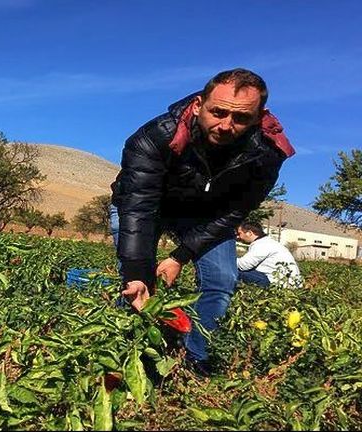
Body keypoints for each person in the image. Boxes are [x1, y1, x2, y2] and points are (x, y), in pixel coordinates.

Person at [109, 68, 295, 376]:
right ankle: (126, 352)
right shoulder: (156, 136)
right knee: (136, 281)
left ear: (258, 117)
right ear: (198, 105)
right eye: (218, 112)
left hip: (207, 215)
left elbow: (234, 213)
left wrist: (180, 256)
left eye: (240, 118)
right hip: (145, 206)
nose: (226, 126)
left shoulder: (267, 153)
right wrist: (138, 272)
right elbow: (138, 207)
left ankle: (195, 357)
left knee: (222, 281)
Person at [236, 221, 301, 287]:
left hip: (277, 283)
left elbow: (243, 265)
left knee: (231, 270)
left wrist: (227, 260)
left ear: (249, 233)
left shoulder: (262, 244)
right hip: (288, 282)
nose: (238, 237)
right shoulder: (267, 242)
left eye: (239, 233)